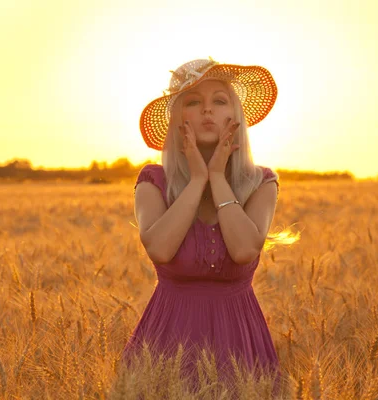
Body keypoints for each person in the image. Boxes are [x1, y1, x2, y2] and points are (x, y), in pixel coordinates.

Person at [121, 57, 282, 391]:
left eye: (219, 101)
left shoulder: (261, 183)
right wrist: (197, 180)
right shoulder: (153, 181)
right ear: (179, 118)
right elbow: (160, 248)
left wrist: (217, 178)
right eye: (194, 102)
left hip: (240, 348)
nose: (208, 111)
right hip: (165, 345)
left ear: (234, 116)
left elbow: (243, 249)